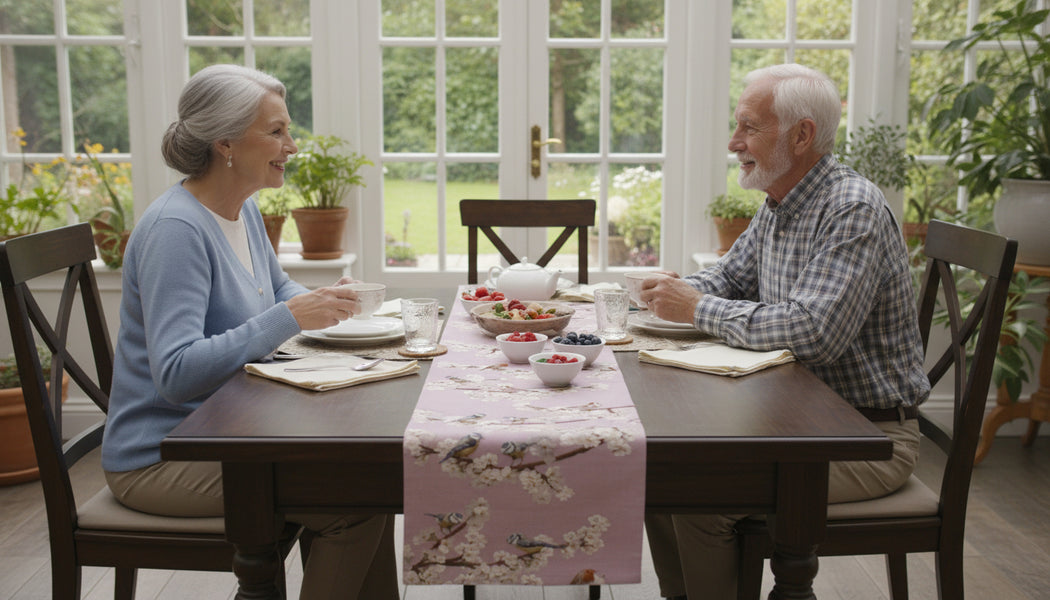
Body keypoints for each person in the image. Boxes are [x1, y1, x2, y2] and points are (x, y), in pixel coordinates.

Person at [100, 64, 398, 599]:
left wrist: (326, 300)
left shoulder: (242, 209)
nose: (293, 145)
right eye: (277, 131)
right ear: (226, 143)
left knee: (365, 488)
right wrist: (290, 317)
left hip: (233, 435)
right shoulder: (177, 230)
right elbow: (174, 374)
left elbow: (278, 290)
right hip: (162, 456)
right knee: (353, 504)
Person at [639, 63, 931, 599]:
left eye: (749, 127)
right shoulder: (780, 201)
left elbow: (814, 331)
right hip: (793, 425)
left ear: (801, 135)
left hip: (866, 438)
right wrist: (669, 293)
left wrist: (696, 307)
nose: (734, 142)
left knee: (697, 497)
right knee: (662, 479)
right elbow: (729, 276)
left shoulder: (852, 208)